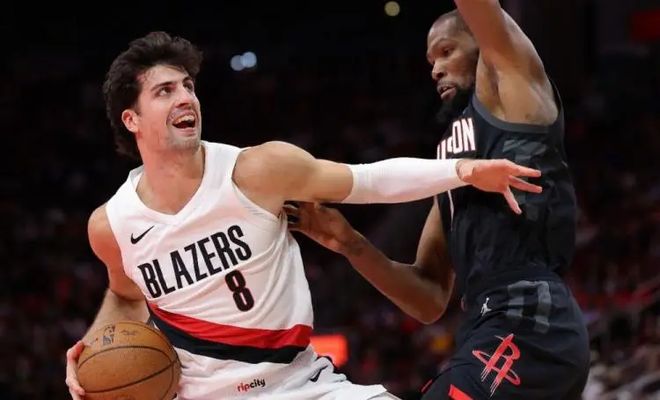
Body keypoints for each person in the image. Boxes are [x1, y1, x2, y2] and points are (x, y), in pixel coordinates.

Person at [63, 31, 543, 400]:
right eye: (165, 91)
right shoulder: (112, 224)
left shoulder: (256, 170)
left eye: (188, 86)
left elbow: (367, 180)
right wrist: (91, 351)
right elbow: (125, 295)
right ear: (132, 119)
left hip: (300, 385)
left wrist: (463, 170)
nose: (186, 97)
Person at [286, 2, 590, 399]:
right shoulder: (451, 164)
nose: (435, 69)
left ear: (482, 46)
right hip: (485, 324)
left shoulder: (512, 90)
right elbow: (428, 298)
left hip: (531, 322)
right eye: (431, 61)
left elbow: (484, 14)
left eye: (447, 51)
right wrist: (350, 244)